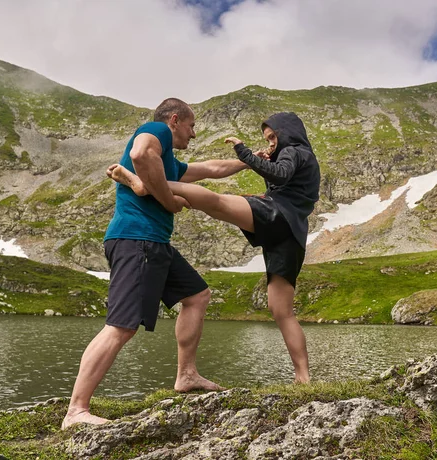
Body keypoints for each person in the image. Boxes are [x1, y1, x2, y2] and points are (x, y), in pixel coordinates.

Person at [62, 98, 252, 429]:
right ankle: (76, 411)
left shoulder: (169, 163)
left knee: (197, 296)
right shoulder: (156, 131)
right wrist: (168, 200)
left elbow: (210, 169)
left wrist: (250, 162)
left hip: (155, 244)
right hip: (137, 241)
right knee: (121, 326)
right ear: (175, 120)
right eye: (192, 126)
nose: (193, 134)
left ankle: (187, 376)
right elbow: (139, 154)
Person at [108, 112, 320, 384]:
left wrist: (243, 151)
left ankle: (147, 186)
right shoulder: (302, 157)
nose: (270, 144)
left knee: (216, 203)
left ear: (287, 132)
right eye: (268, 140)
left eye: (273, 138)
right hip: (292, 235)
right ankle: (303, 379)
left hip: (278, 216)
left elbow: (279, 176)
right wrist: (256, 164)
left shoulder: (293, 150)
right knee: (282, 310)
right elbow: (218, 170)